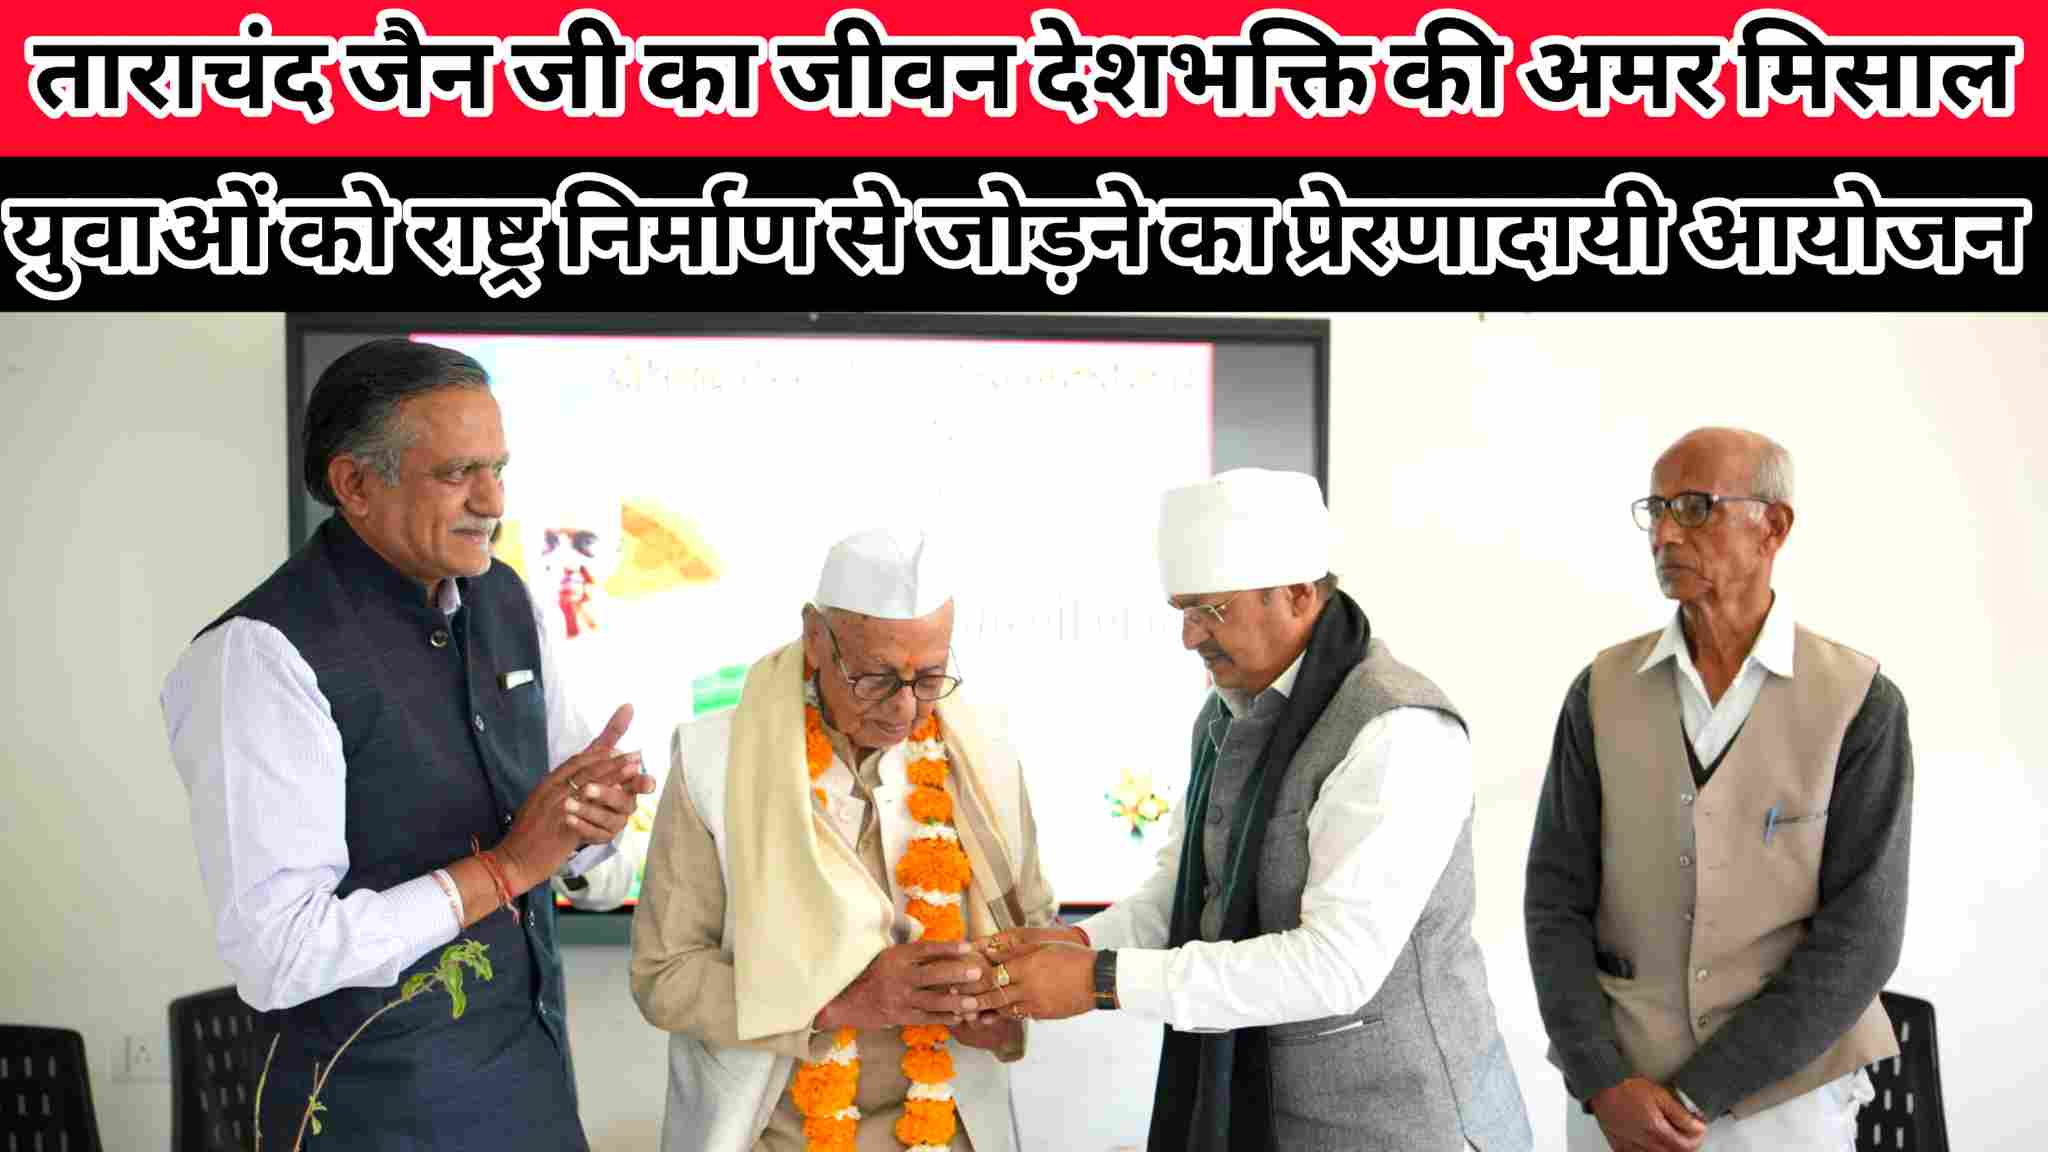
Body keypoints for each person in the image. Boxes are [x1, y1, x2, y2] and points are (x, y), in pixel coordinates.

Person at [161, 339, 655, 1152]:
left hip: (534, 1099)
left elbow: (574, 850)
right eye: (458, 473)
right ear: (355, 484)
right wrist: (506, 868)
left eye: (499, 468)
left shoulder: (506, 599)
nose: (492, 500)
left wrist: (590, 826)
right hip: (372, 1121)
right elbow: (279, 954)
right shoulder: (260, 654)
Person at [960, 468, 1531, 1152]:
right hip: (1272, 1122)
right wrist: (1076, 945)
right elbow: (1186, 892)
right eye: (1182, 611)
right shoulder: (1225, 713)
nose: (1189, 637)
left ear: (1297, 594)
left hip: (1407, 1125)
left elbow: (1335, 966)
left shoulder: (1397, 729)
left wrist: (1100, 980)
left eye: (1212, 611)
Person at [1525, 427, 1912, 1152]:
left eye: (1696, 508)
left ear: (1774, 527)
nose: (1665, 534)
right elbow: (1554, 902)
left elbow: (1863, 937)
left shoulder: (1859, 702)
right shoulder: (1600, 691)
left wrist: (1699, 1092)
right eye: (1657, 510)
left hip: (1784, 1105)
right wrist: (1602, 1080)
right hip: (1620, 1101)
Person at [630, 527, 1059, 1152]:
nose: (905, 709)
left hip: (950, 1125)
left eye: (930, 678)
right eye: (876, 678)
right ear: (814, 637)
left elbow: (1036, 930)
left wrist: (1003, 1008)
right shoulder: (713, 760)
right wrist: (842, 1002)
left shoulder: (984, 752)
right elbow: (664, 976)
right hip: (775, 1132)